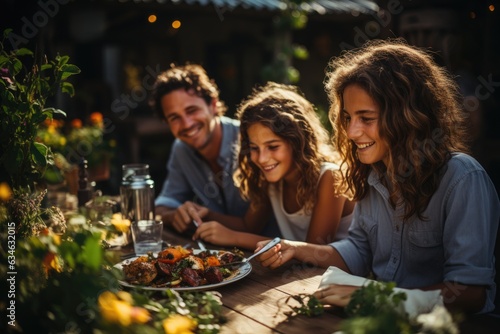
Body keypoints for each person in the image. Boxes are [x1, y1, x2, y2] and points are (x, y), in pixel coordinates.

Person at [255, 39, 500, 314]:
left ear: (407, 116)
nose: (351, 132)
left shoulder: (462, 178)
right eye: (348, 118)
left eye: (366, 118)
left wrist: (374, 296)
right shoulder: (373, 175)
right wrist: (297, 249)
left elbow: (469, 293)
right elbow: (358, 251)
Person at [192, 82, 355, 249]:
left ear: (298, 142)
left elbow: (311, 251)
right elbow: (248, 226)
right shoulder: (271, 178)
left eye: (273, 147)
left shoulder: (331, 177)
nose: (262, 159)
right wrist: (206, 215)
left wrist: (234, 238)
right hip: (303, 273)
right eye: (254, 148)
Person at [149, 64, 251, 235]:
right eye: (174, 118)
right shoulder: (181, 149)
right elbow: (164, 204)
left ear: (213, 105)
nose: (187, 124)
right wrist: (173, 216)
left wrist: (207, 216)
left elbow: (255, 225)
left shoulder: (250, 141)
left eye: (192, 110)